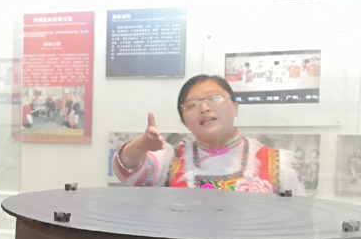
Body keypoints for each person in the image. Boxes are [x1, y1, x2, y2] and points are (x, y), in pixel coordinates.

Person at [114, 74, 305, 194]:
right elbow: (128, 170)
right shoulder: (173, 160)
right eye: (192, 105)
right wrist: (142, 144)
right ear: (185, 121)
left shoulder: (275, 163)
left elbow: (298, 221)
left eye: (215, 98)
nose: (204, 108)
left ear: (235, 107)